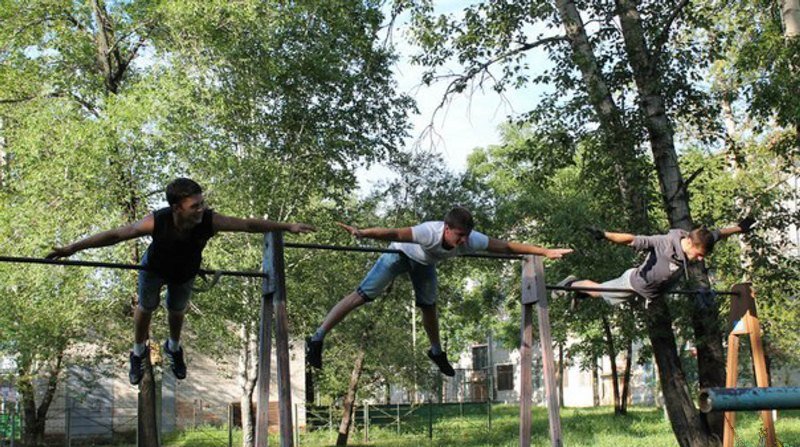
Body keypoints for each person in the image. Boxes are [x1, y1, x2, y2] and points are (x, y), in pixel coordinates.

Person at [46, 178, 315, 385]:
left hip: (185, 272)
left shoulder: (209, 221)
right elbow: (117, 234)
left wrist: (286, 226)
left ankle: (173, 347)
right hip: (154, 269)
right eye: (194, 205)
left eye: (202, 203)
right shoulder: (157, 221)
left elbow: (247, 225)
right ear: (176, 207)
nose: (201, 208)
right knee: (146, 307)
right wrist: (73, 248)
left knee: (176, 311)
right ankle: (138, 352)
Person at [306, 206, 573, 376]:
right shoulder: (427, 233)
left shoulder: (470, 239)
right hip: (399, 255)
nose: (463, 241)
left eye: (466, 236)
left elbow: (507, 247)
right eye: (458, 236)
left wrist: (545, 251)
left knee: (429, 306)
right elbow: (393, 233)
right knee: (362, 296)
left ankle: (436, 351)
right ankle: (317, 337)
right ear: (446, 229)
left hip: (425, 265)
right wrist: (364, 233)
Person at [556, 217, 756, 307]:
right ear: (688, 242)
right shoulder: (663, 243)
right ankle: (572, 285)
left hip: (650, 293)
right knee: (598, 291)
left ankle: (579, 293)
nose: (701, 259)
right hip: (632, 285)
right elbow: (631, 239)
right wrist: (605, 234)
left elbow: (719, 233)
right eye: (699, 254)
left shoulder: (701, 239)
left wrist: (740, 228)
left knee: (599, 293)